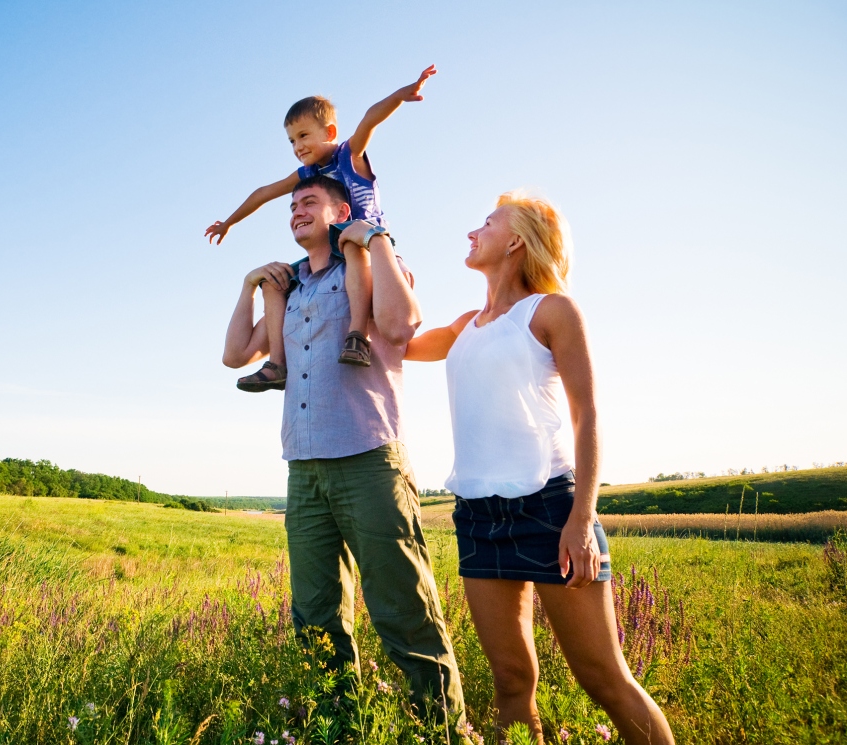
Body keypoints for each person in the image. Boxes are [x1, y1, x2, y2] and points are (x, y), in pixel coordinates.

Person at [404, 192, 675, 744]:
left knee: (603, 678)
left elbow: (588, 414)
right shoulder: (465, 327)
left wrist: (581, 519)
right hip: (478, 516)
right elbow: (395, 343)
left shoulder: (551, 311)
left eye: (485, 223)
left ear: (515, 241)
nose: (471, 232)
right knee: (510, 682)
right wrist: (379, 261)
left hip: (551, 509)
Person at [222, 174, 466, 732]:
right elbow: (235, 354)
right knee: (315, 616)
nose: (295, 211)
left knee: (404, 608)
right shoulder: (293, 289)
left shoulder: (370, 266)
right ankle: (338, 727)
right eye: (290, 206)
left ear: (339, 211)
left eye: (308, 202)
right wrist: (249, 286)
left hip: (368, 459)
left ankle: (444, 732)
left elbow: (403, 326)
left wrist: (374, 238)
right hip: (303, 468)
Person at [208, 65, 437, 391]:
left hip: (365, 240)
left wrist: (401, 95)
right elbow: (263, 192)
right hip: (331, 250)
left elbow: (369, 119)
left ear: (329, 133)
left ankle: (357, 334)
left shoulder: (348, 155)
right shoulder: (306, 174)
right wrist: (229, 222)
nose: (297, 146)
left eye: (303, 136)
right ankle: (277, 363)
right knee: (276, 281)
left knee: (349, 243)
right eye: (291, 141)